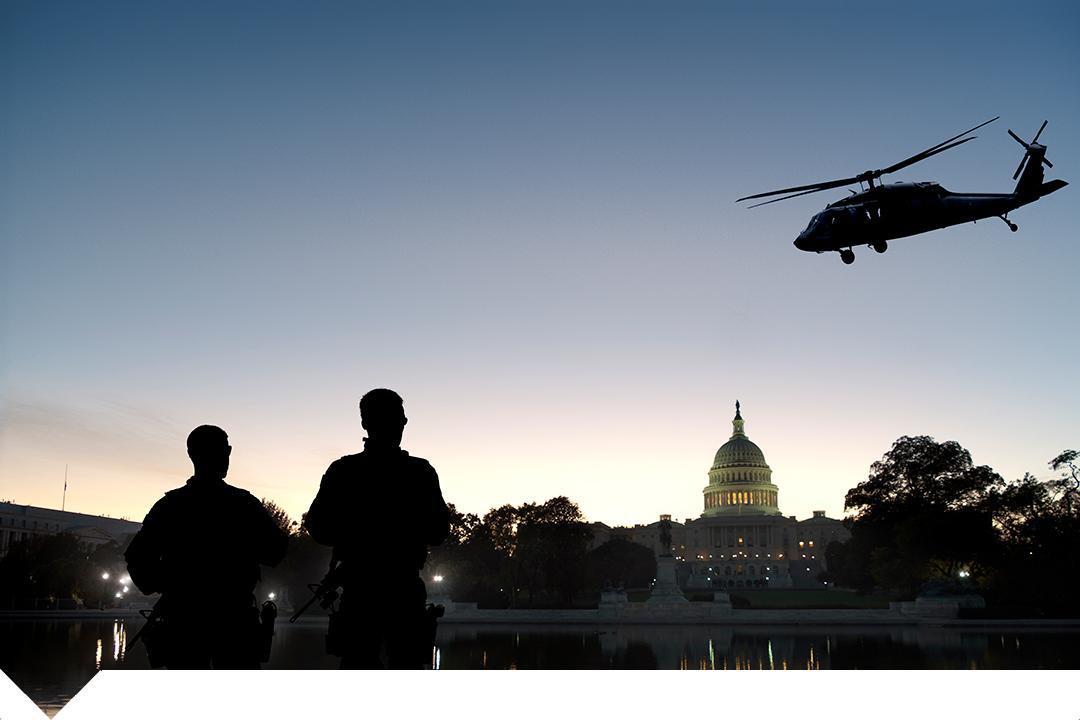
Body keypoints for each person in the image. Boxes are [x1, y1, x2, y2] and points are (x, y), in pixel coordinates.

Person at [304, 389, 450, 669]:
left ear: (364, 424)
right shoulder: (420, 473)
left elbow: (319, 529)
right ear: (403, 421)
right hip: (403, 591)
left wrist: (355, 535)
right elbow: (439, 532)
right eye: (399, 417)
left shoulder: (343, 471)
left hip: (360, 593)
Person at [124, 425, 288, 669]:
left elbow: (138, 560)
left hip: (186, 620)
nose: (225, 457)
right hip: (232, 621)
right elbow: (276, 552)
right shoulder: (244, 505)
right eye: (224, 450)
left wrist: (171, 582)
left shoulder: (171, 506)